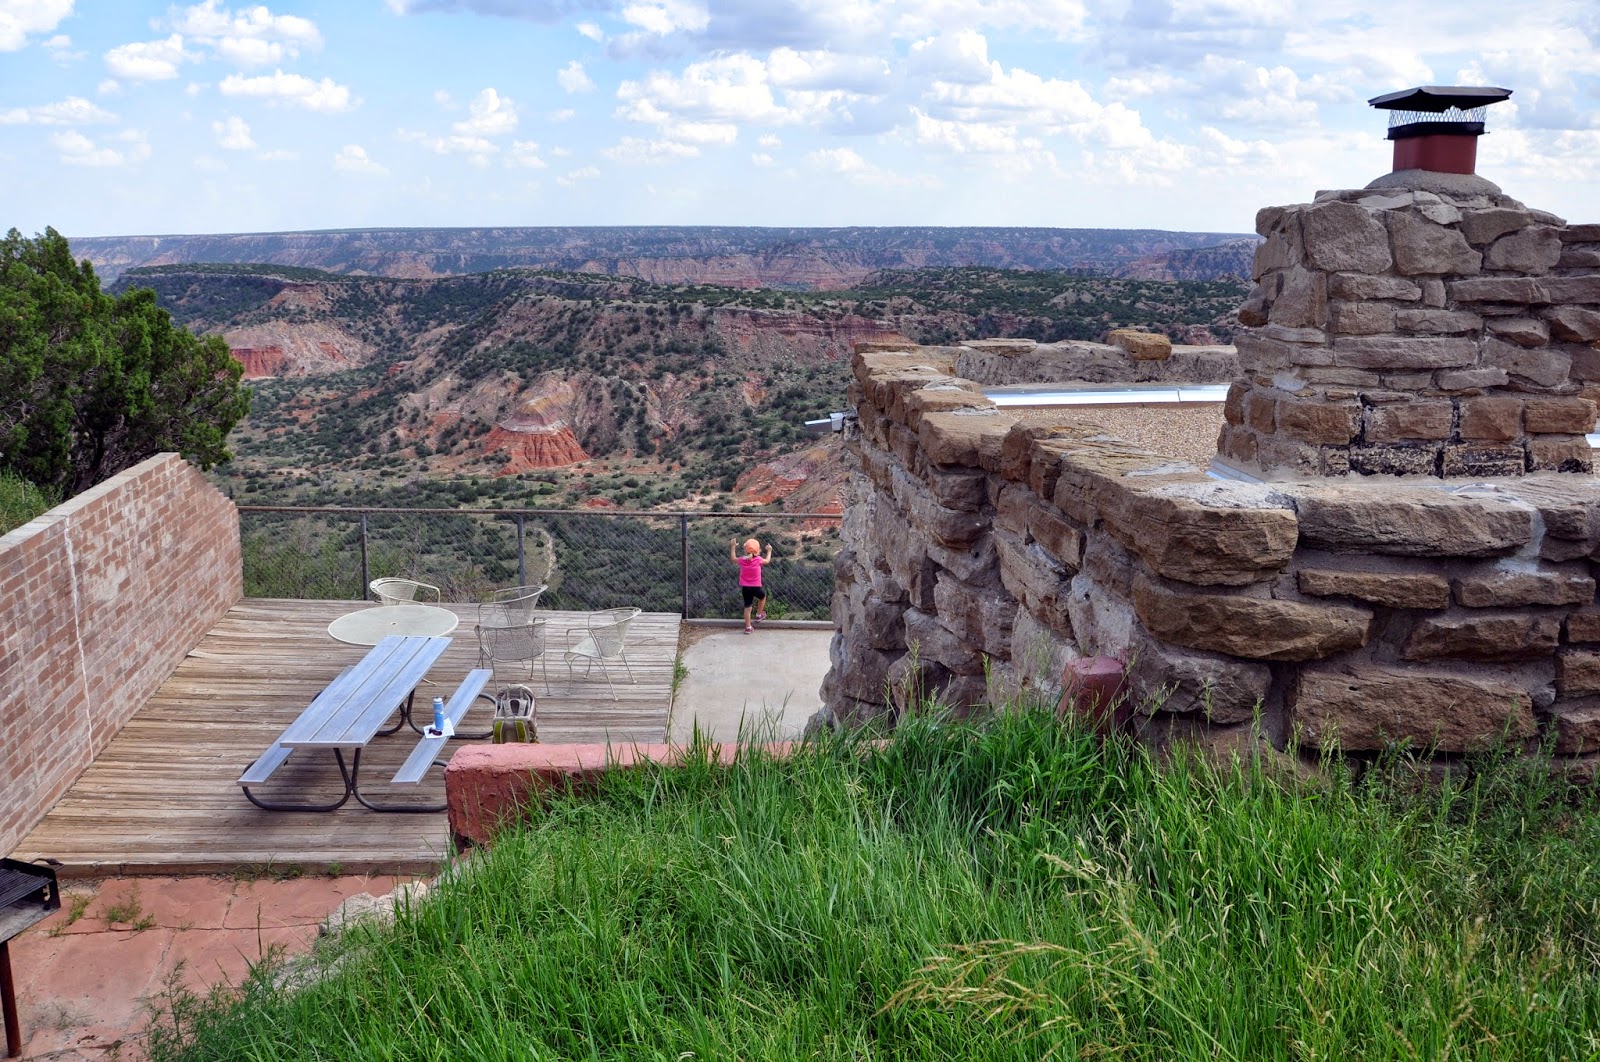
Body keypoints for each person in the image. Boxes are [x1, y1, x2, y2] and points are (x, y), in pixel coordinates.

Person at [729, 536, 772, 634]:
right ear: (758, 550)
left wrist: (732, 547)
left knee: (747, 607)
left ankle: (748, 627)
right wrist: (769, 551)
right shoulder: (758, 560)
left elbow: (733, 558)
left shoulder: (742, 560)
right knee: (762, 597)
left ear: (745, 550)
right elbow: (768, 561)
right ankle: (759, 615)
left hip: (745, 588)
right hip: (756, 587)